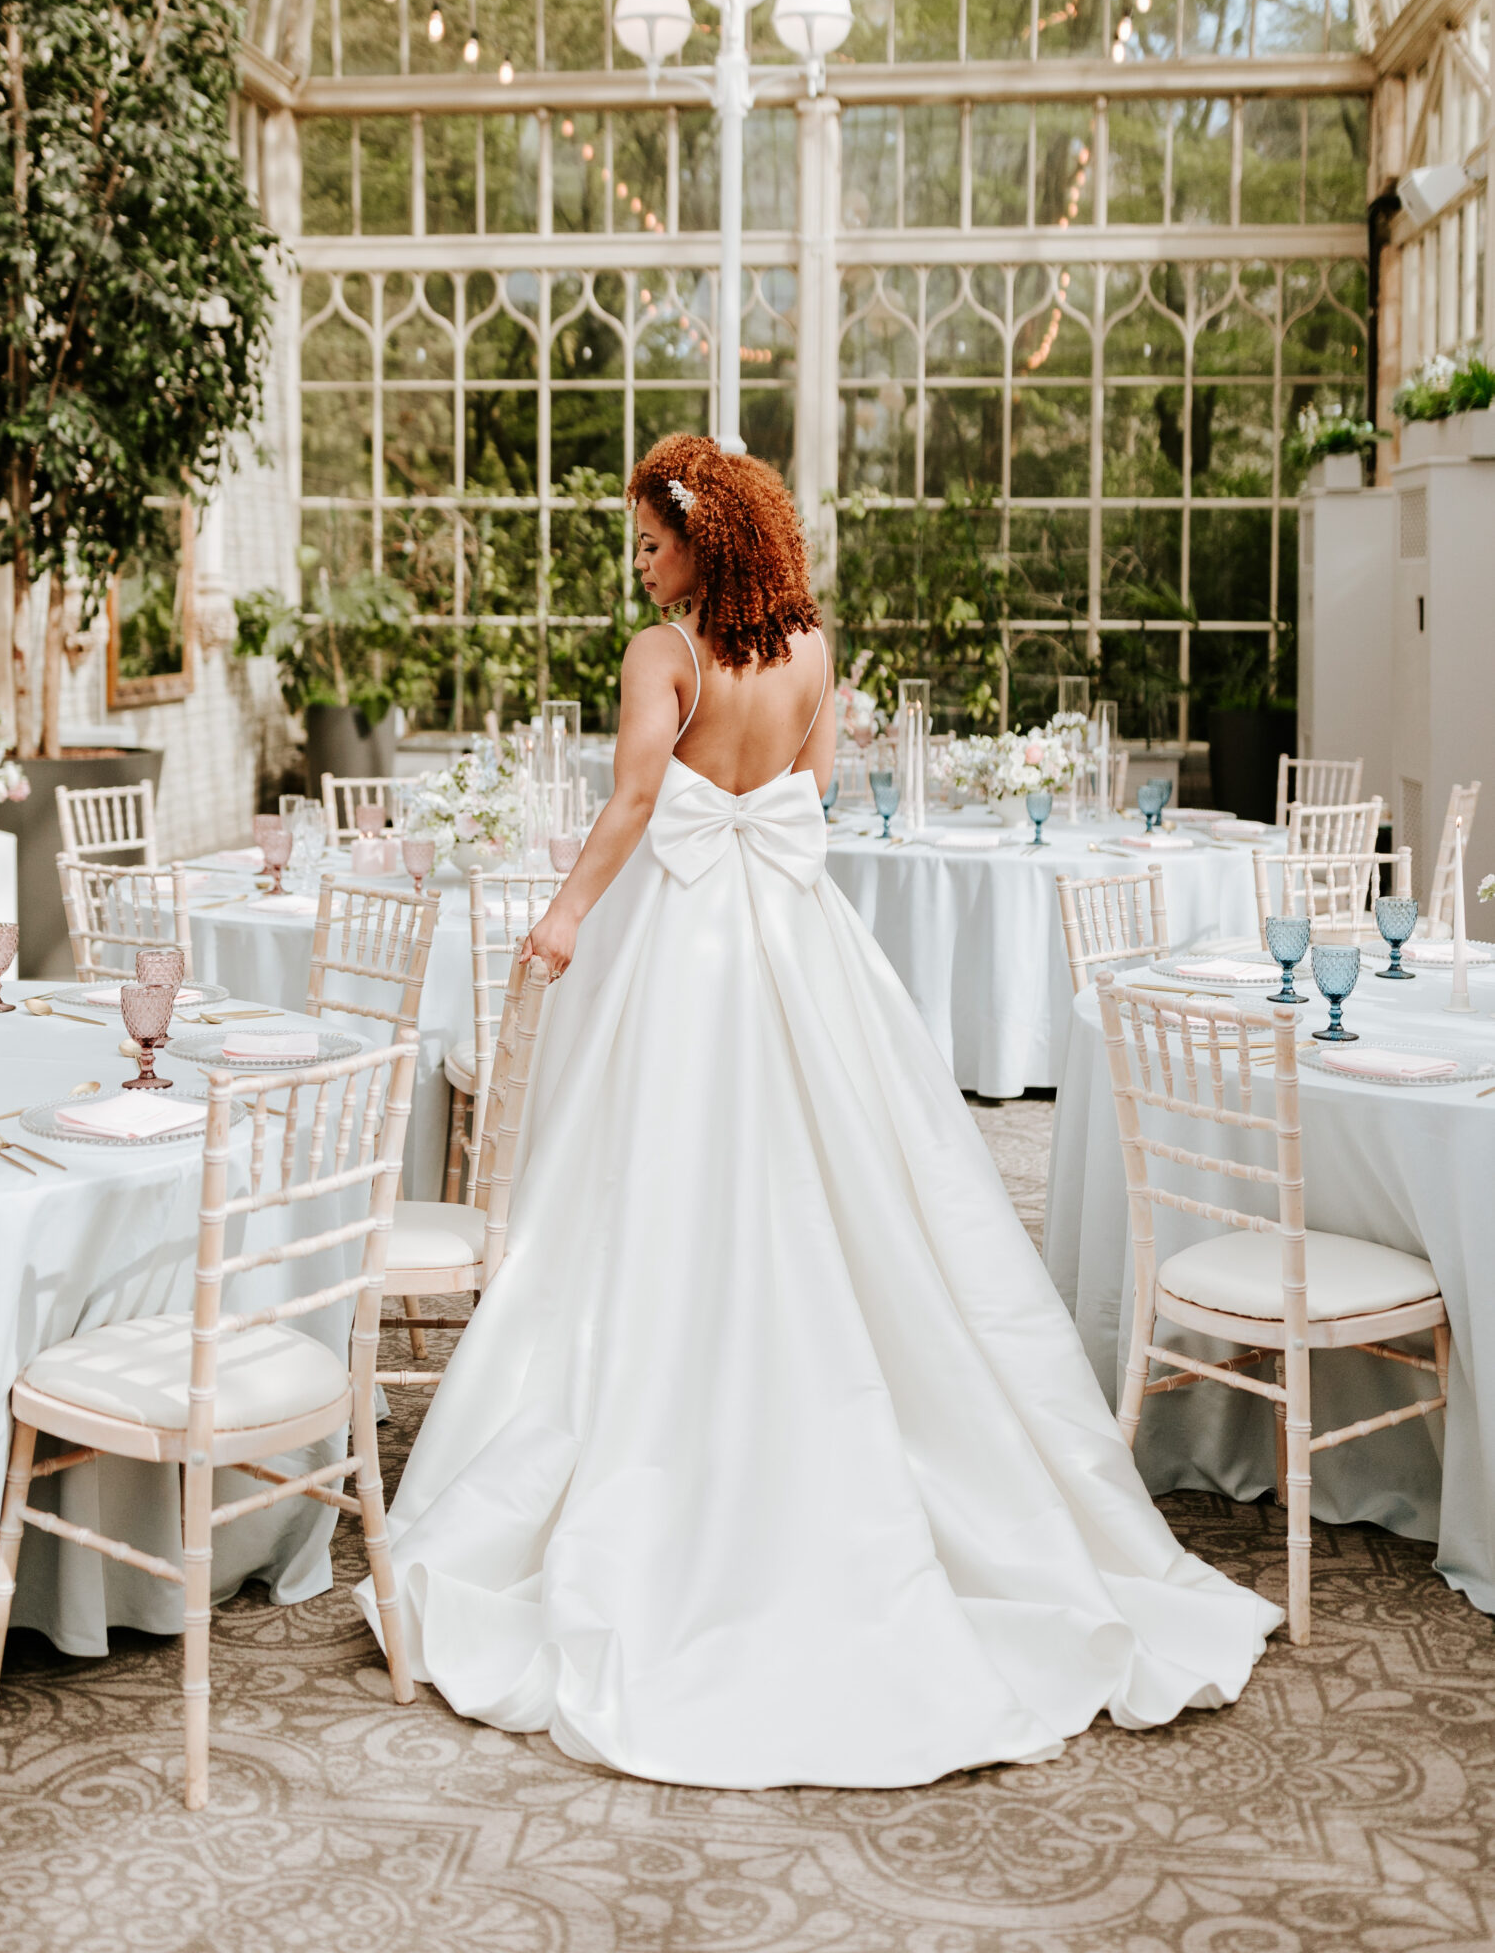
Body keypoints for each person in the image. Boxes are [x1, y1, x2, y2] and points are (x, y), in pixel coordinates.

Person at [357, 433, 1278, 1788]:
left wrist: (560, 923)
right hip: (797, 936)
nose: (641, 560)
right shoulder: (812, 652)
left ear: (707, 541)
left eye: (654, 542)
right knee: (859, 1184)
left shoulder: (660, 656)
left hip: (686, 943)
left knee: (653, 1184)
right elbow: (813, 797)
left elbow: (628, 803)